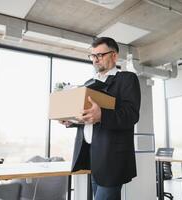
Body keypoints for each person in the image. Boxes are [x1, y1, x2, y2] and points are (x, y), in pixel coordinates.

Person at [60, 37, 141, 200]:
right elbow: (88, 118)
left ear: (114, 56)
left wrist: (102, 114)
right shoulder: (89, 83)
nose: (95, 60)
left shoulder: (127, 79)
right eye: (93, 56)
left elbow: (131, 115)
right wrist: (72, 121)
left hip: (112, 157)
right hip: (93, 155)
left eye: (100, 55)